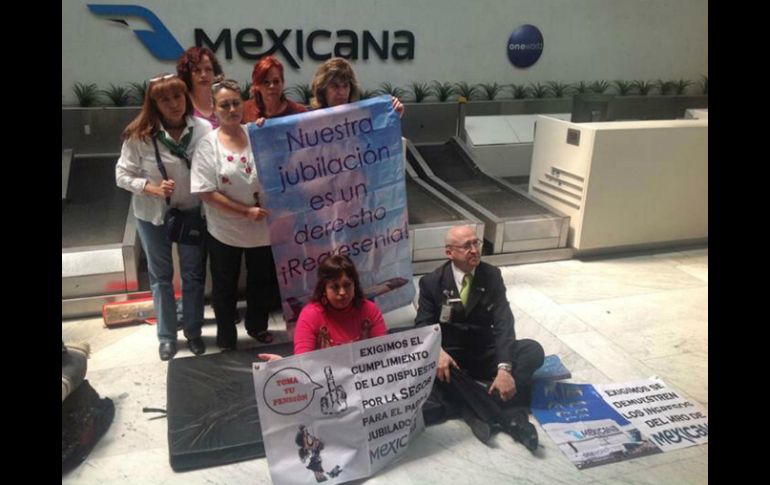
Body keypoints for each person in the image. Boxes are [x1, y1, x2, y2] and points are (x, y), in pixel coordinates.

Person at [415, 225, 544, 451]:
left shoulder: (491, 275)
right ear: (449, 253)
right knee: (429, 365)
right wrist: (438, 352)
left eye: (476, 243)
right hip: (452, 359)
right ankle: (508, 417)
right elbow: (423, 325)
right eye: (466, 246)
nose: (474, 250)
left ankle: (471, 406)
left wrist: (504, 369)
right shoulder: (432, 282)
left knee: (533, 350)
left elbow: (504, 323)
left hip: (485, 352)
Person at [116, 73, 211, 361]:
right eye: (165, 99)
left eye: (178, 96)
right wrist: (150, 188)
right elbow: (121, 174)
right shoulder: (139, 135)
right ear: (154, 103)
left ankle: (193, 332)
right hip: (152, 216)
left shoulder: (203, 129)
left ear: (186, 96)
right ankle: (167, 337)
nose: (174, 104)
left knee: (193, 275)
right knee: (160, 278)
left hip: (191, 212)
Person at [191, 78, 277, 351]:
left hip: (262, 229)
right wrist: (244, 211)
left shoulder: (258, 133)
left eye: (236, 103)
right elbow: (206, 192)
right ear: (214, 109)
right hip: (224, 231)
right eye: (224, 105)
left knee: (260, 282)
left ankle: (257, 326)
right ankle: (226, 335)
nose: (232, 109)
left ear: (244, 104)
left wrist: (270, 129)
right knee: (224, 287)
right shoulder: (208, 145)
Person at [258, 255, 387, 361]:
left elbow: (384, 355)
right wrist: (281, 365)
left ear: (355, 286)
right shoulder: (311, 315)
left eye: (347, 285)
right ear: (324, 289)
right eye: (335, 287)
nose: (342, 292)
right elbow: (303, 362)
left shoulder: (369, 310)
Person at [309, 57, 405, 116]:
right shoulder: (310, 124)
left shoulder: (362, 119)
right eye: (335, 86)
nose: (342, 92)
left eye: (346, 86)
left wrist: (394, 116)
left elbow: (381, 140)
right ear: (323, 90)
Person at [242, 55, 307, 123]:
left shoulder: (299, 112)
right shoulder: (244, 111)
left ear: (283, 83)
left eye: (276, 81)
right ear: (257, 86)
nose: (272, 86)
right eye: (266, 82)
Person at [176, 46, 224, 128]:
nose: (203, 75)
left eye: (208, 69)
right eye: (197, 70)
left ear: (214, 72)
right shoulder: (182, 103)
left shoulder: (222, 100)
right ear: (187, 74)